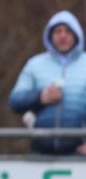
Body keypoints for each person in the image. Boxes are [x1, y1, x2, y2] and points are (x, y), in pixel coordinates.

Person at [9, 10, 86, 155]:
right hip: (40, 152)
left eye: (68, 31)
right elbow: (15, 101)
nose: (63, 35)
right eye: (58, 31)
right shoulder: (35, 64)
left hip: (79, 154)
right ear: (50, 36)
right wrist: (41, 98)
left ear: (77, 35)